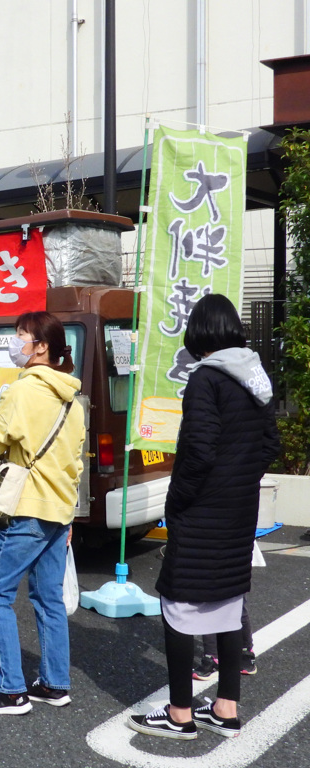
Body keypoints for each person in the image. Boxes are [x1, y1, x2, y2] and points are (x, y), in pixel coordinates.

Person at [129, 294, 278, 741]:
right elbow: (269, 446)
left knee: (177, 603)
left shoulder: (206, 379)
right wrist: (238, 481)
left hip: (202, 512)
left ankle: (179, 714)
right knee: (228, 605)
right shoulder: (256, 377)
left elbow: (197, 451)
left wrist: (177, 501)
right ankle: (226, 709)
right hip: (239, 511)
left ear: (200, 333)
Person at [0, 311, 85, 716]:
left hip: (26, 509)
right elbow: (75, 462)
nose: (14, 340)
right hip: (59, 510)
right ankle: (55, 683)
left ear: (42, 346)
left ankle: (11, 691)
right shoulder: (73, 398)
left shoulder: (21, 391)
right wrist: (70, 516)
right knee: (48, 599)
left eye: (21, 335)